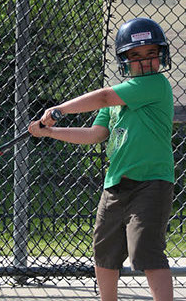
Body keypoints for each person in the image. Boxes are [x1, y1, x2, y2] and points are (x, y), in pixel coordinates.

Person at [28, 17, 175, 301]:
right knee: (104, 252)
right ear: (124, 60)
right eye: (135, 55)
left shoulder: (156, 85)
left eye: (150, 53)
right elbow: (96, 134)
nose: (144, 61)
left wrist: (61, 108)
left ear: (161, 56)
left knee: (145, 249)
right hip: (115, 185)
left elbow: (105, 96)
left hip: (151, 183)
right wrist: (51, 132)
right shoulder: (119, 101)